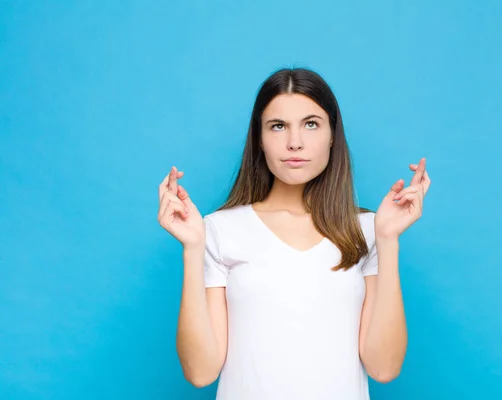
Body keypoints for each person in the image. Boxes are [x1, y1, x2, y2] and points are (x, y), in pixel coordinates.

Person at [157, 67, 431, 400]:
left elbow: (383, 368)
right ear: (259, 137)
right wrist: (192, 247)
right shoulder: (218, 229)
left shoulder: (368, 230)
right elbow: (200, 373)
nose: (295, 142)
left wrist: (388, 240)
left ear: (333, 134)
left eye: (311, 124)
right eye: (278, 126)